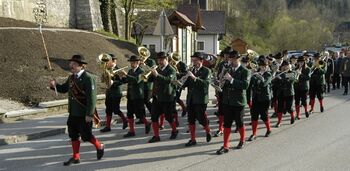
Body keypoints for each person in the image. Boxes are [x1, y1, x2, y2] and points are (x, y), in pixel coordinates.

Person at [49, 54, 104, 166]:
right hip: (73, 112)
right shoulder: (71, 78)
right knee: (73, 134)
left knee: (86, 136)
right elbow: (64, 89)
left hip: (84, 113)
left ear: (81, 66)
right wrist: (54, 85)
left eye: (74, 64)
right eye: (71, 63)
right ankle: (76, 157)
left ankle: (99, 146)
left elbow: (92, 98)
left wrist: (89, 114)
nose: (71, 66)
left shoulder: (89, 78)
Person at [216, 50, 250, 155]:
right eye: (230, 59)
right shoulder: (228, 69)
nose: (230, 61)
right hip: (227, 100)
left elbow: (245, 85)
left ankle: (242, 140)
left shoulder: (245, 71)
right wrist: (220, 82)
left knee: (239, 122)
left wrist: (231, 80)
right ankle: (226, 145)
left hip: (239, 101)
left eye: (233, 59)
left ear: (238, 59)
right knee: (227, 123)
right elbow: (224, 83)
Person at [147, 52, 178, 143]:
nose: (159, 61)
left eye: (161, 60)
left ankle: (174, 130)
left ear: (166, 60)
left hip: (167, 97)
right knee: (154, 117)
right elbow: (150, 80)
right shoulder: (158, 69)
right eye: (158, 60)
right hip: (156, 96)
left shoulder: (171, 70)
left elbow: (168, 80)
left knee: (168, 117)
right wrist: (149, 73)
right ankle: (156, 136)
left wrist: (157, 75)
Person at [182, 52, 212, 146]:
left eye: (195, 60)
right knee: (190, 119)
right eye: (192, 60)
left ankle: (207, 131)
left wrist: (194, 78)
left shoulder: (206, 71)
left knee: (201, 118)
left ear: (201, 61)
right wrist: (181, 84)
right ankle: (193, 139)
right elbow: (187, 82)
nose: (193, 62)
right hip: (191, 98)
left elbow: (205, 83)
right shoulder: (191, 70)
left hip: (201, 99)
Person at [119, 55, 151, 137]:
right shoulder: (130, 71)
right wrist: (121, 77)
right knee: (129, 113)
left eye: (133, 62)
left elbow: (136, 80)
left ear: (137, 63)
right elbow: (126, 80)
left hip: (138, 95)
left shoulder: (141, 71)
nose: (131, 64)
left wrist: (126, 75)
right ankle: (131, 131)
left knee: (139, 114)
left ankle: (147, 123)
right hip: (130, 94)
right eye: (131, 62)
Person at [100, 54, 128, 133]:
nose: (107, 62)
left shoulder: (119, 70)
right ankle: (108, 126)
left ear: (113, 61)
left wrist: (113, 82)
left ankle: (125, 120)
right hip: (109, 92)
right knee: (108, 110)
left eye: (108, 61)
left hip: (116, 93)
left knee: (116, 109)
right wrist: (103, 77)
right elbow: (104, 80)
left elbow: (123, 81)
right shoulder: (107, 69)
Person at [247, 57, 272, 141]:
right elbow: (251, 84)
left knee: (264, 115)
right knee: (254, 115)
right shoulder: (255, 73)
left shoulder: (268, 74)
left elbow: (265, 83)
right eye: (261, 66)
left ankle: (269, 129)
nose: (263, 67)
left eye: (265, 66)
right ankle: (254, 134)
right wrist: (251, 74)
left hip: (265, 97)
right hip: (255, 97)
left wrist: (260, 77)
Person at [273, 60, 296, 128]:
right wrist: (274, 78)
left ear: (289, 66)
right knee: (280, 108)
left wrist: (280, 78)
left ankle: (292, 115)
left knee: (289, 108)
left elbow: (289, 81)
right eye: (284, 66)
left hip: (289, 93)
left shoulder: (291, 72)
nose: (285, 67)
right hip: (281, 92)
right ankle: (279, 122)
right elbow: (275, 83)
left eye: (287, 66)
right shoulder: (280, 73)